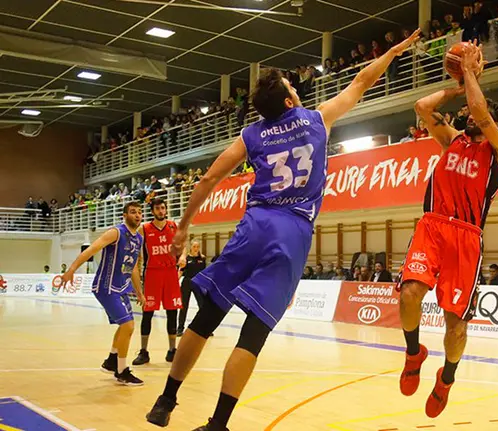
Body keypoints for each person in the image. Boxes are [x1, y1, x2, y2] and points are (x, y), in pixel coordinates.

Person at [146, 30, 421, 431]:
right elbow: (361, 82)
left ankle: (165, 401)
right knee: (252, 334)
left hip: (254, 225)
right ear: (291, 101)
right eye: (293, 86)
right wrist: (394, 50)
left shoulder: (251, 135)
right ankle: (217, 425)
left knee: (206, 319)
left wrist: (184, 227)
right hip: (291, 233)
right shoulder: (316, 119)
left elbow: (207, 180)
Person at [397, 40, 498, 418]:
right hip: (432, 227)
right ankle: (414, 351)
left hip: (466, 237)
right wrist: (458, 86)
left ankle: (446, 377)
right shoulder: (451, 140)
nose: (466, 111)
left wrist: (468, 70)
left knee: (455, 326)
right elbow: (422, 107)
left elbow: (482, 113)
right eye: (463, 107)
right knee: (409, 294)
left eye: (470, 107)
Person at [61, 202, 146, 385]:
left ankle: (111, 361)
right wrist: (71, 270)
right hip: (106, 287)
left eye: (140, 212)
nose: (137, 215)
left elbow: (133, 268)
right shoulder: (115, 232)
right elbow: (91, 250)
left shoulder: (138, 238)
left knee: (125, 326)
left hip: (122, 288)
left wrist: (139, 292)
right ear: (125, 215)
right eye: (133, 212)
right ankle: (121, 371)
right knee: (128, 326)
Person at [133, 198, 183, 366]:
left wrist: (182, 256)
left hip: (170, 273)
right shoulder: (144, 229)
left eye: (163, 208)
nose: (161, 211)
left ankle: (172, 350)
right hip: (152, 273)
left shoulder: (173, 226)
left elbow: (183, 244)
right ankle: (144, 351)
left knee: (172, 312)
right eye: (158, 208)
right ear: (152, 211)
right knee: (148, 313)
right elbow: (137, 253)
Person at [177, 240, 206, 336]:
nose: (196, 248)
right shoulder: (186, 259)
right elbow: (180, 272)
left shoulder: (202, 259)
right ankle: (180, 328)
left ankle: (204, 327)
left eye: (198, 246)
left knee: (202, 306)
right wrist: (175, 282)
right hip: (187, 283)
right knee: (184, 306)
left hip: (198, 283)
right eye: (194, 246)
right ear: (191, 247)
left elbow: (204, 273)